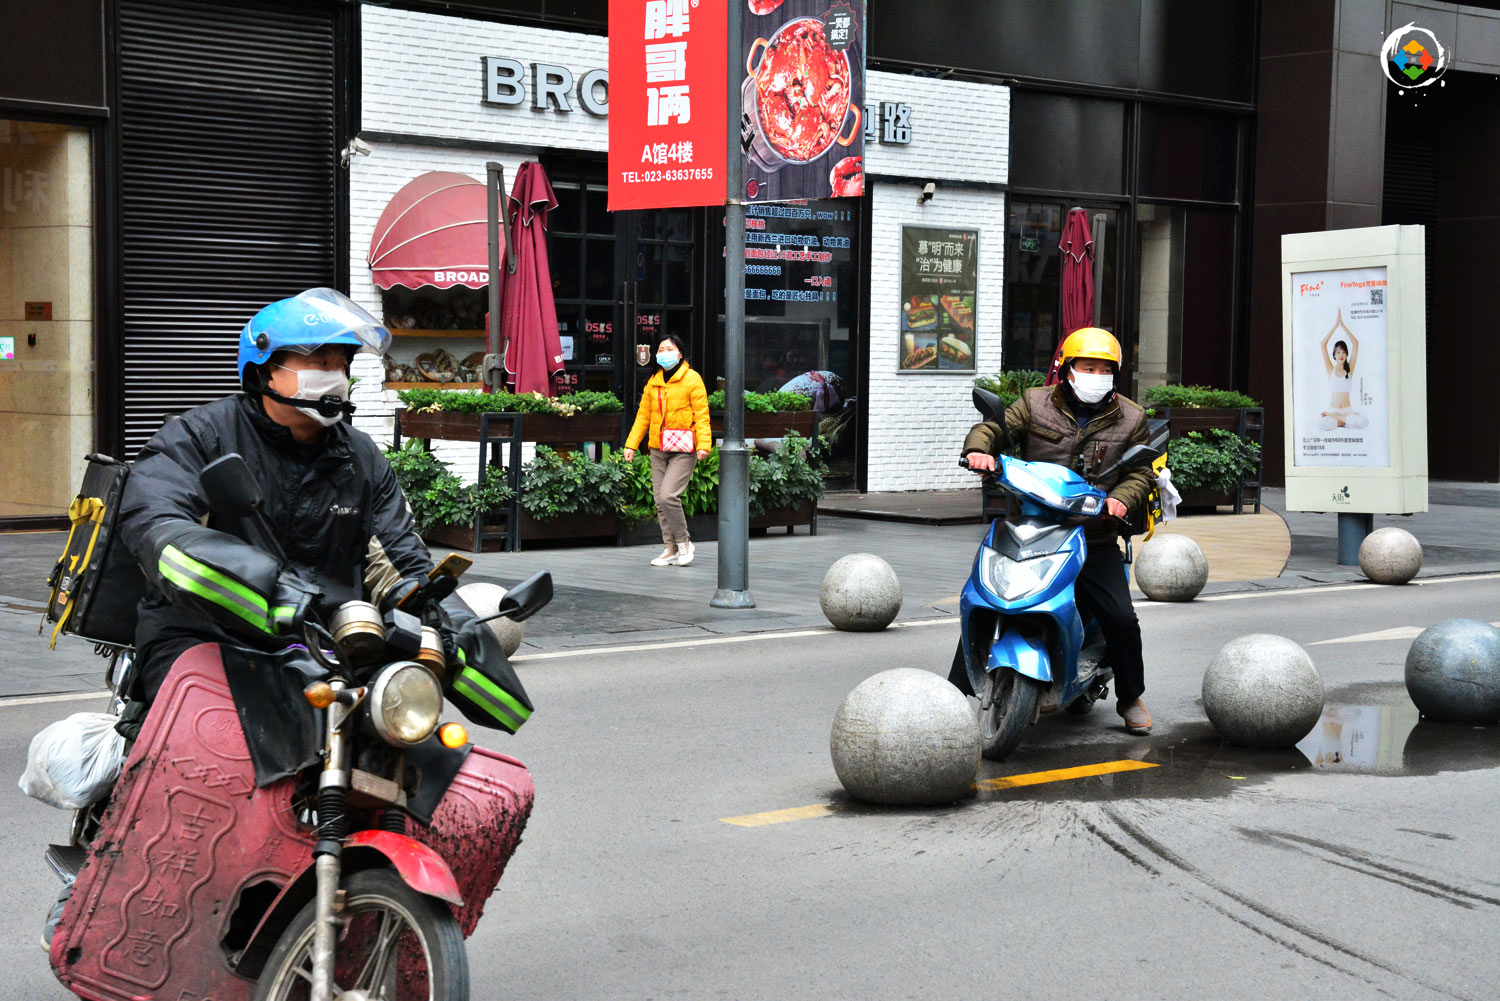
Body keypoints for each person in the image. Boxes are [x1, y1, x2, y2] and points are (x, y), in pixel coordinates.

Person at [956, 327, 1156, 735]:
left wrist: (1121, 498)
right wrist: (979, 449)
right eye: (1088, 366)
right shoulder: (1033, 403)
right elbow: (995, 428)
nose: (1096, 374)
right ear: (1067, 368)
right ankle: (955, 693)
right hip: (1030, 525)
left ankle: (1130, 696)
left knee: (1121, 619)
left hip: (1092, 535)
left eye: (1105, 368)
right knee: (985, 594)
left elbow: (1140, 473)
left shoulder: (1132, 417)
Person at [622, 335, 712, 567]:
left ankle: (684, 542)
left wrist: (704, 445)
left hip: (683, 447)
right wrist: (631, 444)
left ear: (680, 354)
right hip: (658, 447)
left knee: (668, 495)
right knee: (659, 500)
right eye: (660, 349)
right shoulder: (654, 381)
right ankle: (670, 548)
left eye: (669, 349)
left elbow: (702, 415)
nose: (664, 352)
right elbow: (643, 415)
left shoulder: (692, 379)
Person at [1319, 322, 1367, 430]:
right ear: (1334, 355)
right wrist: (1336, 325)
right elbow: (1323, 344)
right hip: (1333, 409)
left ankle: (1339, 419)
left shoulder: (1349, 370)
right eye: (1338, 352)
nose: (1341, 355)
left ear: (1346, 355)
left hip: (1346, 411)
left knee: (1364, 422)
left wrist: (1343, 326)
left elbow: (1355, 343)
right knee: (1321, 424)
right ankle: (1343, 421)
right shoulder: (1331, 370)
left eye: (1344, 352)